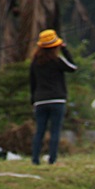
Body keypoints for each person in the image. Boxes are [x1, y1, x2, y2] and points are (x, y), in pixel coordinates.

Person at [29, 29, 77, 165]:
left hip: (40, 100)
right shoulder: (57, 60)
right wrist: (65, 50)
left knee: (40, 131)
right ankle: (52, 159)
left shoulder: (35, 63)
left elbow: (32, 82)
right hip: (57, 99)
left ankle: (35, 159)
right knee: (55, 130)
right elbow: (73, 67)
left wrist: (33, 100)